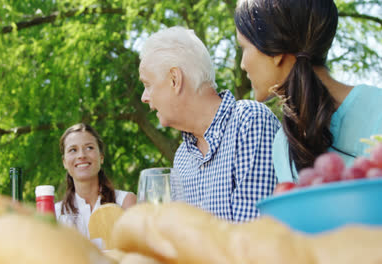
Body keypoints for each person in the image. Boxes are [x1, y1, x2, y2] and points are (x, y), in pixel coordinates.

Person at [139, 26, 281, 222]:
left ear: (174, 79)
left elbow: (251, 238)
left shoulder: (249, 122)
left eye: (147, 85)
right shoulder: (182, 158)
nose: (144, 98)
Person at [234, 0, 382, 182]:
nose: (242, 65)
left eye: (244, 48)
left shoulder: (377, 110)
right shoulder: (283, 144)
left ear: (275, 50)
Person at [55, 123, 137, 237]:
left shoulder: (125, 202)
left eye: (89, 148)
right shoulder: (56, 213)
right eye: (73, 150)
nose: (81, 155)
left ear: (101, 157)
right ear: (64, 162)